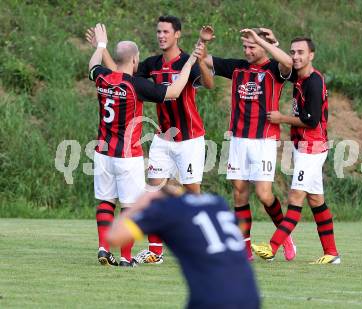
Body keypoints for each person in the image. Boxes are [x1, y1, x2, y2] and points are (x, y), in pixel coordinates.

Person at [88, 16, 215, 264]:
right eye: (158, 31)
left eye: (166, 31)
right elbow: (121, 74)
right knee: (153, 190)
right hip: (162, 138)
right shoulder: (151, 64)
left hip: (189, 138)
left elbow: (209, 84)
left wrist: (198, 57)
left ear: (177, 34)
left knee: (192, 193)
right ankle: (155, 252)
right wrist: (103, 50)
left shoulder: (186, 60)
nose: (160, 35)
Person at [198, 27, 296, 261]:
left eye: (252, 46)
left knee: (263, 194)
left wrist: (270, 43)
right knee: (239, 193)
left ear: (263, 47)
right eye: (245, 47)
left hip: (264, 141)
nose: (247, 50)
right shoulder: (237, 67)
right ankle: (244, 247)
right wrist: (203, 43)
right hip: (239, 139)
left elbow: (289, 62)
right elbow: (204, 59)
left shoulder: (274, 69)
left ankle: (284, 237)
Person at [252, 37, 340, 264]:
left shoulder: (313, 82)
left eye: (301, 52)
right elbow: (282, 62)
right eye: (293, 52)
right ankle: (331, 253)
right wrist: (269, 42)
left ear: (311, 55)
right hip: (304, 146)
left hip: (312, 147)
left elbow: (311, 121)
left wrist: (282, 118)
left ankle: (272, 247)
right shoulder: (298, 75)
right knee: (316, 201)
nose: (296, 56)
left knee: (295, 196)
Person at [106, 186, 261, 309]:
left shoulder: (166, 209)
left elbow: (114, 237)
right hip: (251, 295)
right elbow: (240, 225)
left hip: (213, 298)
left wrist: (139, 204)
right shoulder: (216, 202)